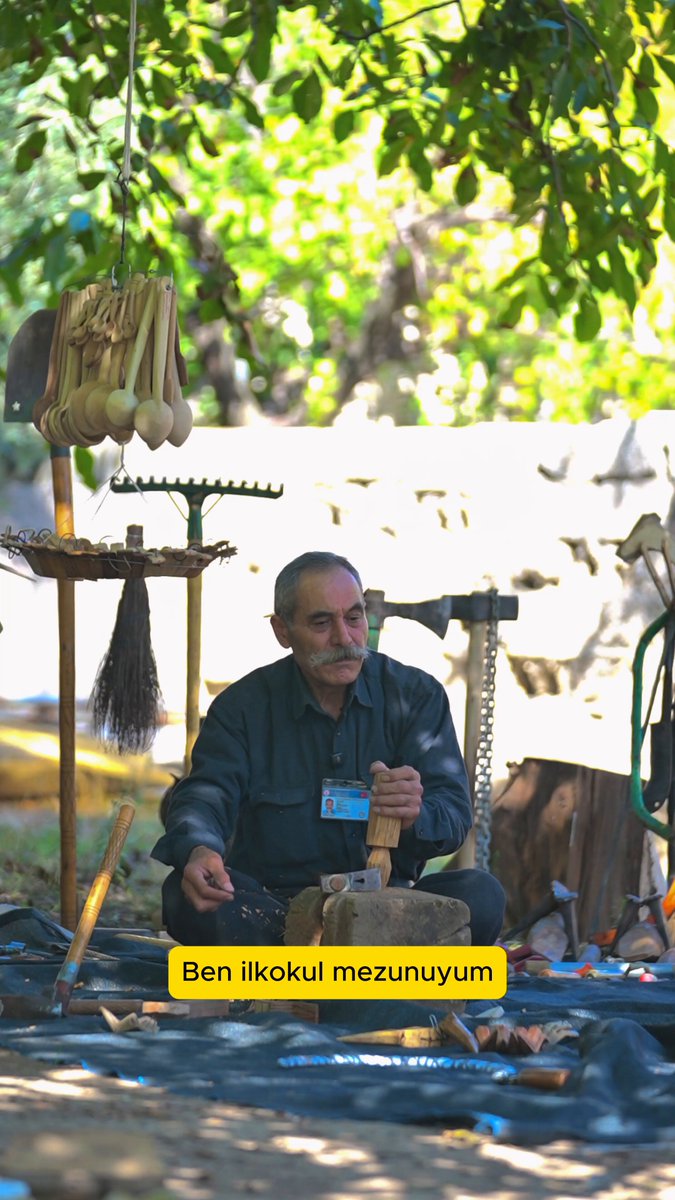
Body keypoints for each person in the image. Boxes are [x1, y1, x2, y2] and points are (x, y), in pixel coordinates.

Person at [152, 551, 505, 946]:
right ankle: (361, 973)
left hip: (388, 911)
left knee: (482, 896)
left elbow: (455, 815)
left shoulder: (416, 696)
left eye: (354, 618)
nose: (344, 638)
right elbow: (206, 795)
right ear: (282, 631)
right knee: (184, 899)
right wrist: (199, 850)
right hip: (275, 911)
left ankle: (310, 973)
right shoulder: (242, 709)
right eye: (322, 623)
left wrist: (416, 814)